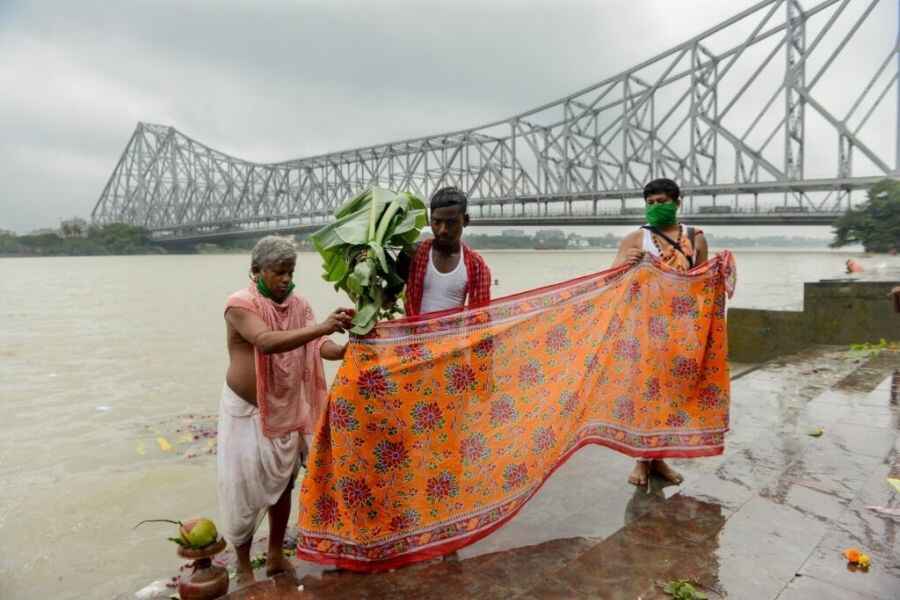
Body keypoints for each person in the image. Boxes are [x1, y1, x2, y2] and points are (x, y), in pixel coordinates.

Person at [218, 236, 354, 586]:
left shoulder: (300, 306)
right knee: (244, 485)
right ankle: (244, 562)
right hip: (247, 411)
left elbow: (318, 344)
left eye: (290, 272)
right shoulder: (240, 304)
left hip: (286, 409)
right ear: (257, 271)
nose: (285, 279)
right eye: (278, 272)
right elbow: (264, 341)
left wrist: (347, 345)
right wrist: (322, 326)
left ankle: (276, 552)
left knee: (284, 483)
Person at [612, 177, 709, 487]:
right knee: (645, 395)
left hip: (681, 331)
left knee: (672, 396)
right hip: (645, 329)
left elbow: (702, 284)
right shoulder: (635, 240)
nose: (656, 208)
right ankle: (642, 460)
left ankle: (660, 459)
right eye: (650, 203)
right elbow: (612, 280)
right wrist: (626, 265)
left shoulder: (695, 237)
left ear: (677, 203)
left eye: (662, 202)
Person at [402, 186, 492, 315]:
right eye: (437, 222)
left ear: (465, 221)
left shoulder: (477, 266)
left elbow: (480, 318)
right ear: (430, 220)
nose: (443, 230)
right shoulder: (412, 254)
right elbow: (388, 297)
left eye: (451, 223)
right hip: (413, 335)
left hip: (451, 336)